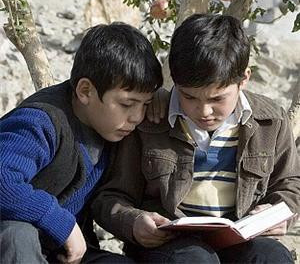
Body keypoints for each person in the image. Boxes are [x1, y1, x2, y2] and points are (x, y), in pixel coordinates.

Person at [91, 14, 300, 263]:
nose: (203, 111)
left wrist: (279, 212)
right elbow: (111, 196)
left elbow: (290, 184)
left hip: (243, 240)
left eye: (217, 99)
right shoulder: (149, 121)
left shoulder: (271, 121)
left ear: (244, 78)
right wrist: (134, 222)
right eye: (189, 97)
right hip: (168, 247)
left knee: (272, 256)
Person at [0, 22, 163, 263]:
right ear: (85, 91)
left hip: (68, 253)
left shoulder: (112, 127)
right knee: (17, 235)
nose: (137, 117)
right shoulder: (40, 123)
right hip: (17, 250)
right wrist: (59, 222)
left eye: (146, 104)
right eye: (127, 104)